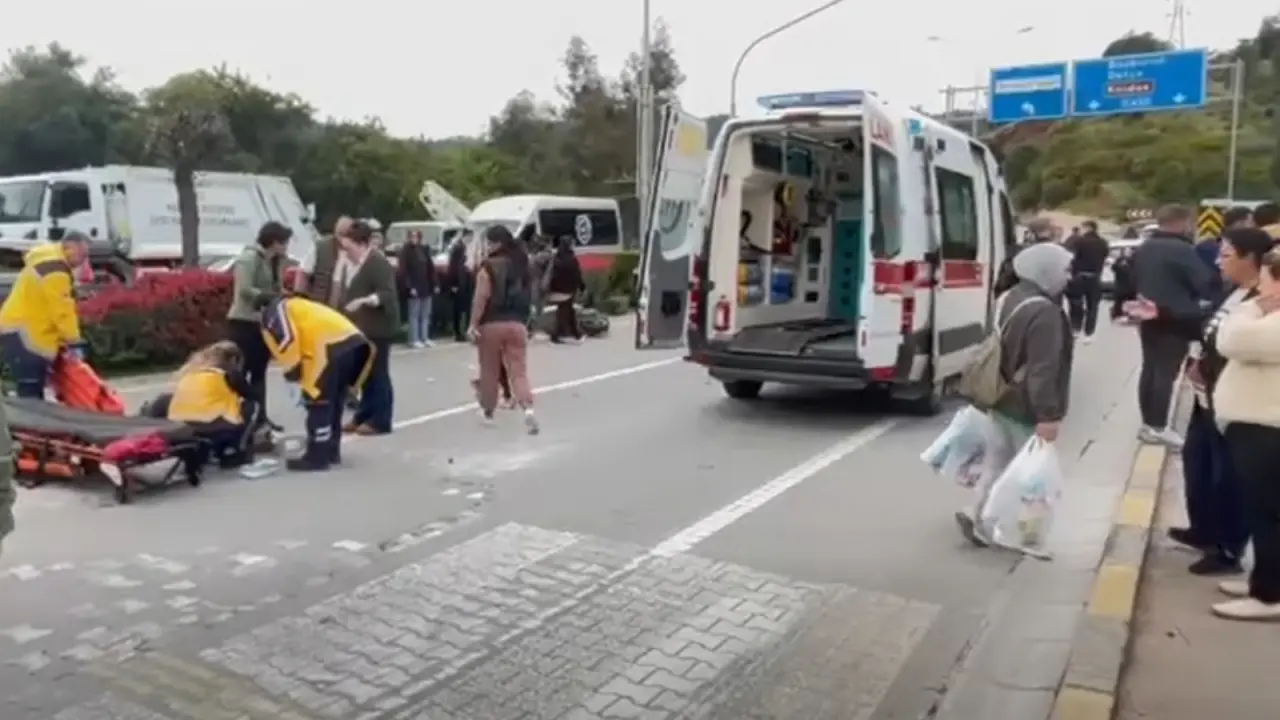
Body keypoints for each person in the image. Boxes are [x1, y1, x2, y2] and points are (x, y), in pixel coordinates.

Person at [955, 242, 1074, 547]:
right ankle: (1019, 532)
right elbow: (1042, 369)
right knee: (1030, 475)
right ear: (1044, 271)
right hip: (1024, 404)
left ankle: (978, 514)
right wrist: (1048, 415)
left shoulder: (1009, 297)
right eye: (1064, 269)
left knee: (998, 461)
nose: (1068, 276)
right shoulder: (1045, 313)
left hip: (1000, 394)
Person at [1172, 227, 1271, 576]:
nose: (1218, 261)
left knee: (1226, 477)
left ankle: (1229, 548)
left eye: (1227, 255)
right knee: (1197, 463)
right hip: (1205, 397)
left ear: (1252, 260)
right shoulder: (1230, 292)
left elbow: (1239, 345)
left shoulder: (1261, 302)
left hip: (1232, 403)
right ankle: (1205, 530)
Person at [1209, 247, 1280, 620]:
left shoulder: (1270, 321)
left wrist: (1253, 308)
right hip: (1258, 425)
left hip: (1267, 428)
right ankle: (1264, 580)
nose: (1260, 291)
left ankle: (1269, 596)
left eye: (1266, 281)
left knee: (1268, 513)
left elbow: (1232, 340)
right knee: (1262, 511)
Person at [1130, 204, 1214, 448]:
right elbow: (1203, 280)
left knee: (1150, 369)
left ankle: (1148, 424)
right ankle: (1158, 427)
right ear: (1183, 221)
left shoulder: (1145, 247)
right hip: (1175, 318)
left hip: (1147, 315)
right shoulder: (1182, 250)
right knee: (1166, 373)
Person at [260, 296, 372, 472]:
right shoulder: (301, 305)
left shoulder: (275, 312)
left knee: (319, 403)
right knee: (335, 401)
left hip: (327, 348)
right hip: (354, 344)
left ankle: (317, 456)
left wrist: (292, 371)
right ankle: (331, 450)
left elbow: (286, 338)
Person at [0, 233, 90, 398]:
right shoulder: (56, 270)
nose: (83, 261)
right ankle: (30, 422)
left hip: (17, 328)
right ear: (70, 247)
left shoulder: (46, 260)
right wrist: (74, 340)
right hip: (26, 334)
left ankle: (28, 421)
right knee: (31, 388)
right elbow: (62, 310)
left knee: (28, 385)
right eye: (82, 254)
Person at [468, 225, 539, 433]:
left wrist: (473, 324)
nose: (487, 247)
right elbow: (531, 295)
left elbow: (481, 298)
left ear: (496, 243)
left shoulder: (488, 267)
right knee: (518, 371)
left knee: (489, 370)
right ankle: (528, 409)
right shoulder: (522, 265)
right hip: (517, 324)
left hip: (491, 324)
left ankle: (488, 411)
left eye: (489, 242)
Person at [335, 220, 399, 436]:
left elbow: (387, 294)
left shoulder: (377, 263)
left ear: (361, 244)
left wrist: (364, 301)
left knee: (378, 373)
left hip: (378, 327)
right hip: (360, 328)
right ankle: (363, 414)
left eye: (349, 248)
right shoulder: (350, 264)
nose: (346, 252)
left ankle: (381, 419)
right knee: (365, 374)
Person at [226, 221, 292, 430]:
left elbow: (277, 286)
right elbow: (245, 289)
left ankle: (260, 417)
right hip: (244, 322)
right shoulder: (249, 258)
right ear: (274, 241)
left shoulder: (275, 262)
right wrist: (269, 297)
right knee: (240, 372)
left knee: (259, 372)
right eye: (284, 242)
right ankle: (236, 416)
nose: (286, 247)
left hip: (263, 323)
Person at [166, 340, 260, 469]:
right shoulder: (227, 374)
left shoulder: (190, 372)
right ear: (232, 359)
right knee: (252, 405)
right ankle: (238, 451)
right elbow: (252, 395)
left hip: (180, 426)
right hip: (211, 426)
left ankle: (206, 451)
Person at [1064, 220, 1109, 342]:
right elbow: (1105, 257)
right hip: (1095, 277)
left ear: (1088, 228)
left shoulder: (1079, 242)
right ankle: (1089, 333)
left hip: (1079, 276)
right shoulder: (1103, 243)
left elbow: (1071, 257)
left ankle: (1076, 328)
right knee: (1092, 306)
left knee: (1076, 303)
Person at [298, 216, 352, 307]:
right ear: (335, 231)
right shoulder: (321, 247)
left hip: (343, 310)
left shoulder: (355, 251)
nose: (343, 238)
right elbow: (304, 273)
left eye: (347, 234)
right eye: (341, 233)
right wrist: (300, 298)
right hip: (318, 305)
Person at [397, 229, 437, 348]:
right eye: (412, 236)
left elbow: (431, 267)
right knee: (414, 314)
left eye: (416, 236)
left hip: (425, 285)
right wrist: (409, 286)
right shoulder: (406, 251)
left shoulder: (424, 249)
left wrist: (434, 283)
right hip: (414, 287)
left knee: (425, 314)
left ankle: (424, 337)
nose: (414, 238)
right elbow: (404, 272)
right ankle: (414, 339)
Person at [546, 236, 584, 343]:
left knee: (568, 310)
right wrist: (581, 287)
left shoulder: (556, 257)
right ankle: (559, 334)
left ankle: (575, 333)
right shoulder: (571, 259)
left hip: (554, 290)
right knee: (566, 311)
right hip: (567, 291)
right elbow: (577, 275)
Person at [446, 233, 473, 342]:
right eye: (468, 237)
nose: (470, 239)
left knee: (468, 308)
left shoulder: (471, 248)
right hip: (459, 283)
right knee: (458, 309)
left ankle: (467, 330)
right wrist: (453, 284)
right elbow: (452, 267)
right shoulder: (457, 249)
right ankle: (458, 332)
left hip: (468, 282)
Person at [528, 237, 555, 334]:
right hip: (540, 282)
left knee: (533, 305)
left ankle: (532, 326)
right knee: (538, 306)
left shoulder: (533, 256)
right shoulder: (546, 256)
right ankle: (535, 326)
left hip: (533, 282)